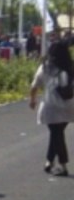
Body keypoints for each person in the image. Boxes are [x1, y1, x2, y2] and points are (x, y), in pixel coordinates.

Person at [29, 38, 74, 176]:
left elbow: (34, 85)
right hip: (69, 105)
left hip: (51, 105)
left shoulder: (46, 67)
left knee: (56, 133)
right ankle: (49, 161)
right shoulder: (70, 66)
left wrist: (33, 100)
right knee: (57, 133)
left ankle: (63, 164)